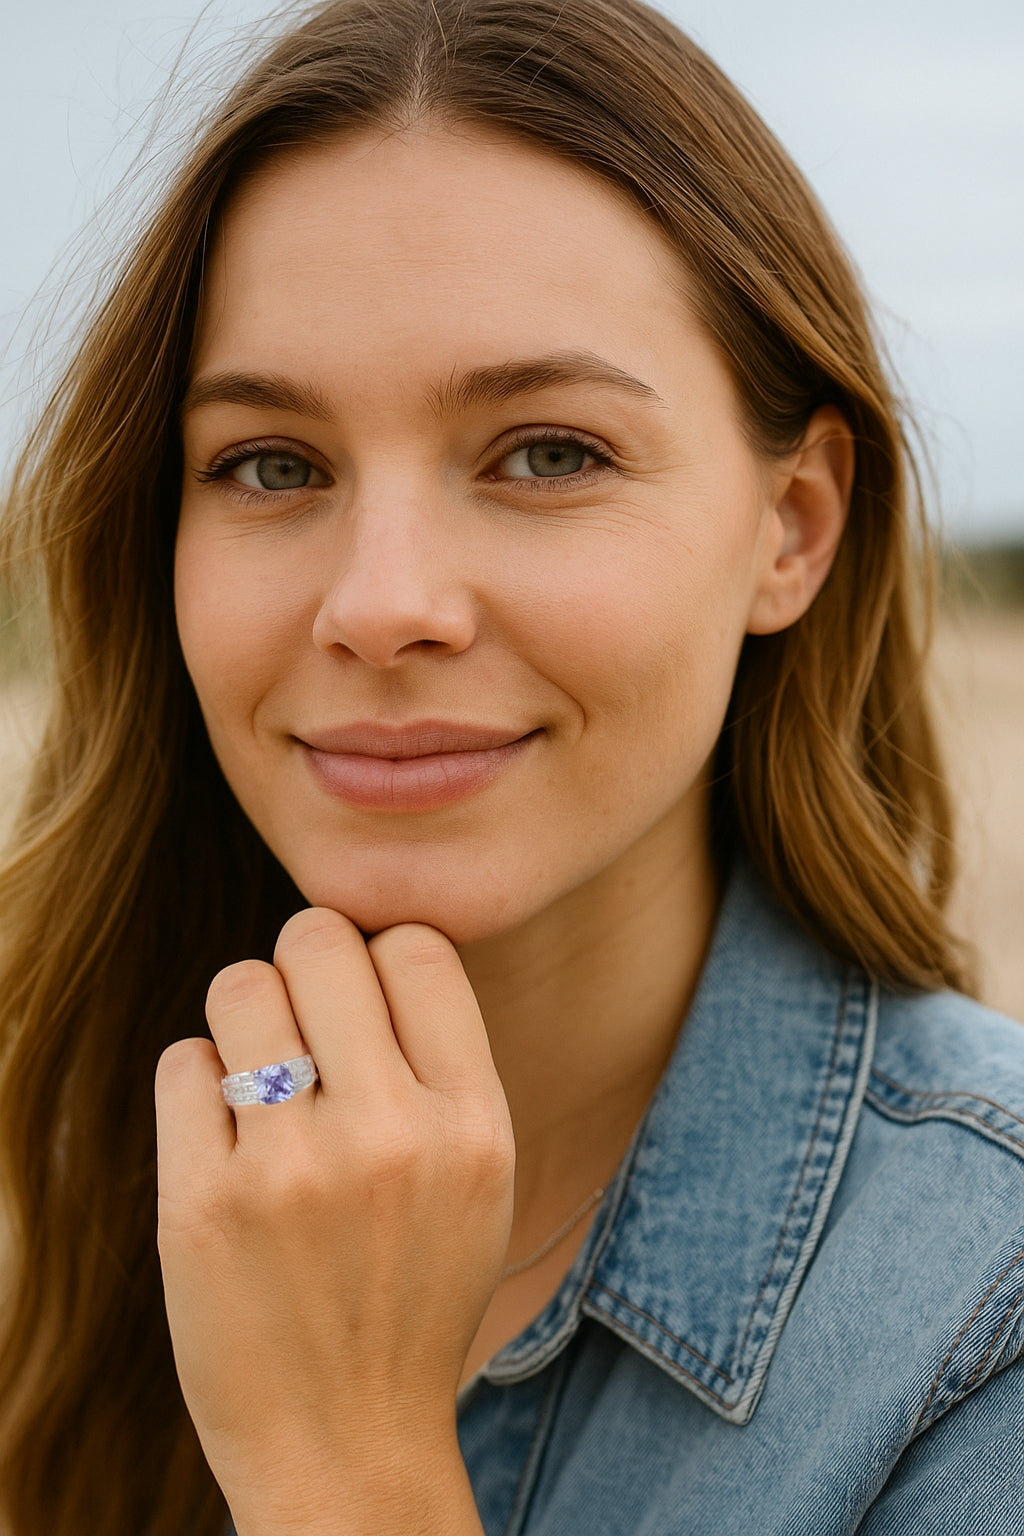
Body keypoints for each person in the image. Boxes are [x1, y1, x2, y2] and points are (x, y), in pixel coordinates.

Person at [1, 0, 1023, 1531]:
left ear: (792, 526)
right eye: (271, 465)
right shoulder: (55, 1169)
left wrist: (345, 1468)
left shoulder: (978, 1314)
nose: (383, 602)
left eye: (548, 452)